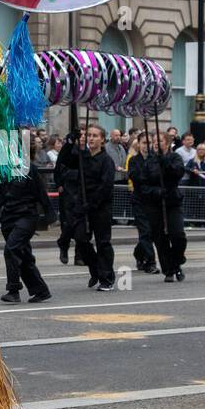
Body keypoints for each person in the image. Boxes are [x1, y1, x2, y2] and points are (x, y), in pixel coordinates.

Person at [0, 141, 53, 304]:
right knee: (24, 256)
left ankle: (13, 290)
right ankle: (41, 290)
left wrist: (50, 215)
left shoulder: (30, 170)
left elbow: (42, 193)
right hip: (9, 219)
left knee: (11, 249)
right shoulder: (7, 171)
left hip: (26, 217)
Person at [58, 124, 116, 290]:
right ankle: (96, 268)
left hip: (99, 207)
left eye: (95, 136)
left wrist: (91, 204)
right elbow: (64, 161)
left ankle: (107, 279)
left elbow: (105, 186)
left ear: (103, 140)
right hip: (82, 207)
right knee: (81, 238)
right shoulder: (82, 156)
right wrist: (70, 141)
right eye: (89, 135)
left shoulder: (107, 161)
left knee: (103, 242)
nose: (91, 138)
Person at [128, 128, 187, 282]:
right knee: (160, 238)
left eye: (159, 141)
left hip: (172, 202)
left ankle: (177, 260)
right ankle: (169, 269)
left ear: (168, 143)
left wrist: (165, 162)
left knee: (178, 235)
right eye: (154, 142)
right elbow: (142, 183)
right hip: (154, 204)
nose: (155, 144)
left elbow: (178, 173)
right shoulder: (148, 162)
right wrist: (156, 192)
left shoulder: (175, 157)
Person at [125, 133, 157, 273]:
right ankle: (150, 262)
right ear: (138, 144)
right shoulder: (134, 160)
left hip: (153, 201)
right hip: (139, 201)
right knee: (145, 232)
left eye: (149, 143)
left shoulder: (155, 159)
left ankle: (139, 253)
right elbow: (135, 177)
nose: (146, 146)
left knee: (152, 233)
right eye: (144, 143)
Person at [53, 129, 82, 266]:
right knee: (69, 223)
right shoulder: (70, 149)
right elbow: (60, 164)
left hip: (84, 191)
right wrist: (59, 183)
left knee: (83, 226)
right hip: (70, 191)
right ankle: (64, 243)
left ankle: (80, 255)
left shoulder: (90, 151)